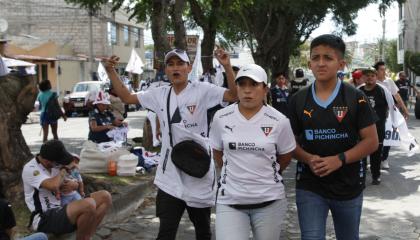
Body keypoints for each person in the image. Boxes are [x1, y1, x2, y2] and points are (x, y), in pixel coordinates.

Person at [103, 48, 237, 240]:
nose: (175, 68)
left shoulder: (203, 90)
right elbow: (126, 97)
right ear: (165, 70)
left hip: (197, 171)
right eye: (170, 64)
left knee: (203, 231)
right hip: (170, 175)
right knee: (165, 233)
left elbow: (233, 95)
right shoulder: (158, 94)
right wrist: (111, 72)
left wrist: (226, 66)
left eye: (180, 64)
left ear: (188, 68)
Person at [288, 34, 378, 240]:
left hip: (349, 186)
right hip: (310, 185)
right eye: (315, 57)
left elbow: (372, 141)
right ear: (309, 63)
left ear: (341, 63)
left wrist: (340, 159)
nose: (320, 63)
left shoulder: (356, 97)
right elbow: (289, 143)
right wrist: (308, 158)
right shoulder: (298, 99)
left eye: (328, 58)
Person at [209, 64, 296, 240]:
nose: (247, 91)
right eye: (242, 85)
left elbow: (286, 156)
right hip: (230, 201)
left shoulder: (280, 121)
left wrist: (268, 173)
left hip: (269, 202)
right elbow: (217, 152)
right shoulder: (221, 117)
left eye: (254, 85)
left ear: (265, 89)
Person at [22, 140, 112, 240]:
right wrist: (64, 169)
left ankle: (87, 236)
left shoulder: (54, 163)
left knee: (105, 196)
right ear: (48, 161)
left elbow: (72, 176)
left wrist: (75, 184)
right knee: (89, 204)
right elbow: (53, 185)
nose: (61, 163)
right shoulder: (30, 169)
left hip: (64, 208)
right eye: (59, 161)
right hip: (44, 217)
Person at [374, 61, 408, 170]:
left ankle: (384, 159)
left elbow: (396, 96)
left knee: (388, 136)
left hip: (388, 113)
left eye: (385, 69)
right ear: (376, 71)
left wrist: (405, 109)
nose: (384, 71)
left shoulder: (389, 81)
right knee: (375, 137)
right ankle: (375, 159)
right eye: (382, 69)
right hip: (374, 114)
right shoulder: (372, 81)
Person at [359, 67, 389, 185]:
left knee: (376, 153)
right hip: (361, 128)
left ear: (376, 77)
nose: (370, 78)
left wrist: (395, 121)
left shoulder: (382, 91)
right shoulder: (358, 91)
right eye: (367, 75)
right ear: (363, 77)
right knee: (361, 153)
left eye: (372, 75)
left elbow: (392, 107)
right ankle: (360, 176)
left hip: (378, 128)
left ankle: (376, 175)